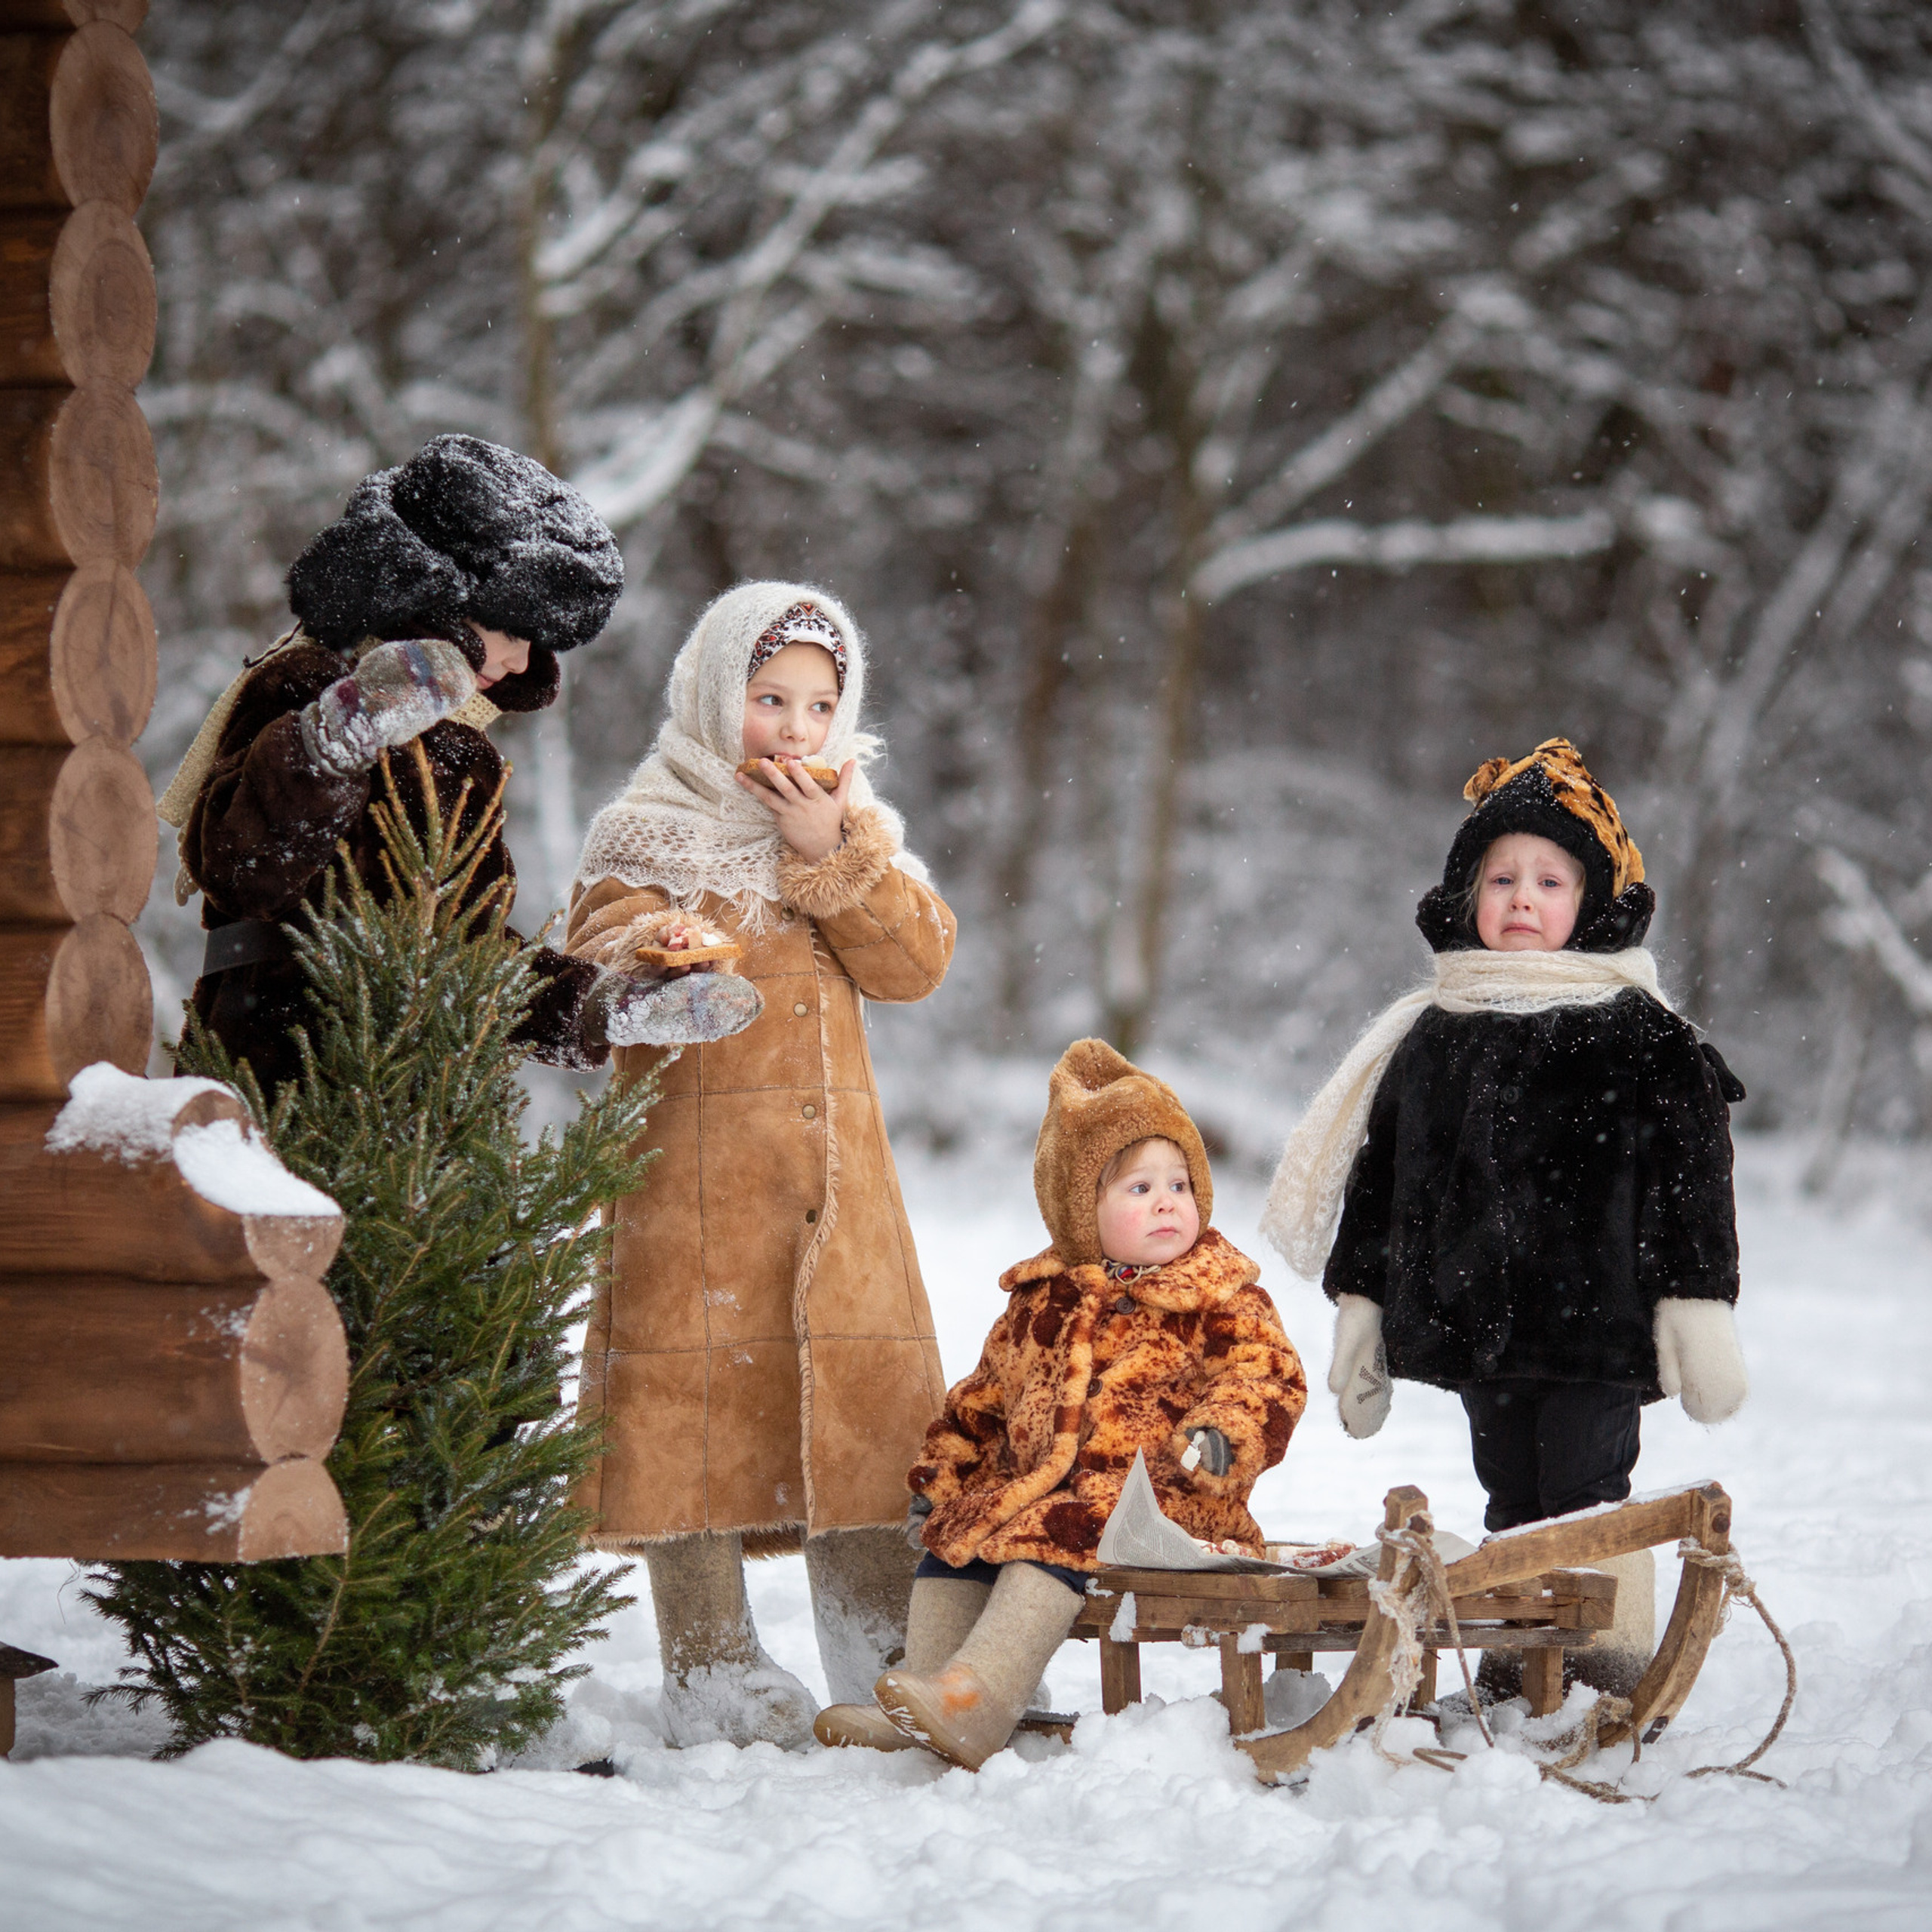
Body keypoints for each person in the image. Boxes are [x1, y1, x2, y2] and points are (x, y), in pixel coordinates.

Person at [1261, 737, 1748, 1696]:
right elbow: (1385, 1174)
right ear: (1467, 895)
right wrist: (1361, 1299)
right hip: (1478, 1321)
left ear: (1593, 903)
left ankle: (1602, 1653)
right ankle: (1518, 1649)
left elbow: (1693, 1172)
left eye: (1550, 880)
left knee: (1583, 1492)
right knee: (1510, 1492)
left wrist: (1699, 1302)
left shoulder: (1640, 1032)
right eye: (1500, 878)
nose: (1522, 898)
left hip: (1596, 1325)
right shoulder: (1437, 1032)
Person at [563, 581, 955, 1749]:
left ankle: (885, 1642)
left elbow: (917, 964)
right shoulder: (646, 827)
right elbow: (588, 957)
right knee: (690, 1412)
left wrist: (828, 855)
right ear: (710, 692)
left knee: (870, 1416)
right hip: (693, 1183)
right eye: (768, 697)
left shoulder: (852, 832)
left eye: (818, 705)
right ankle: (711, 1660)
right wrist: (657, 945)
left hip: (839, 1193)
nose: (793, 727)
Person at [161, 434, 757, 1092]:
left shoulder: (458, 750)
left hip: (421, 1117)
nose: (526, 663)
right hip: (279, 1076)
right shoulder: (304, 685)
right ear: (437, 601)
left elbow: (469, 958)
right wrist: (337, 741)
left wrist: (608, 1006)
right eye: (515, 632)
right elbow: (241, 869)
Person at [815, 1039, 1306, 1768]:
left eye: (1180, 1184)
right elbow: (981, 1403)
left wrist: (1223, 1435)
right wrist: (945, 1479)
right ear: (1081, 1210)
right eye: (1139, 1190)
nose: (1168, 1201)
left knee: (1055, 1519)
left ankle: (978, 1701)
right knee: (968, 1523)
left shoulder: (1222, 1297)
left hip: (1168, 1502)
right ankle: (928, 1692)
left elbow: (1266, 1378)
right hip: (1058, 1493)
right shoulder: (1042, 1305)